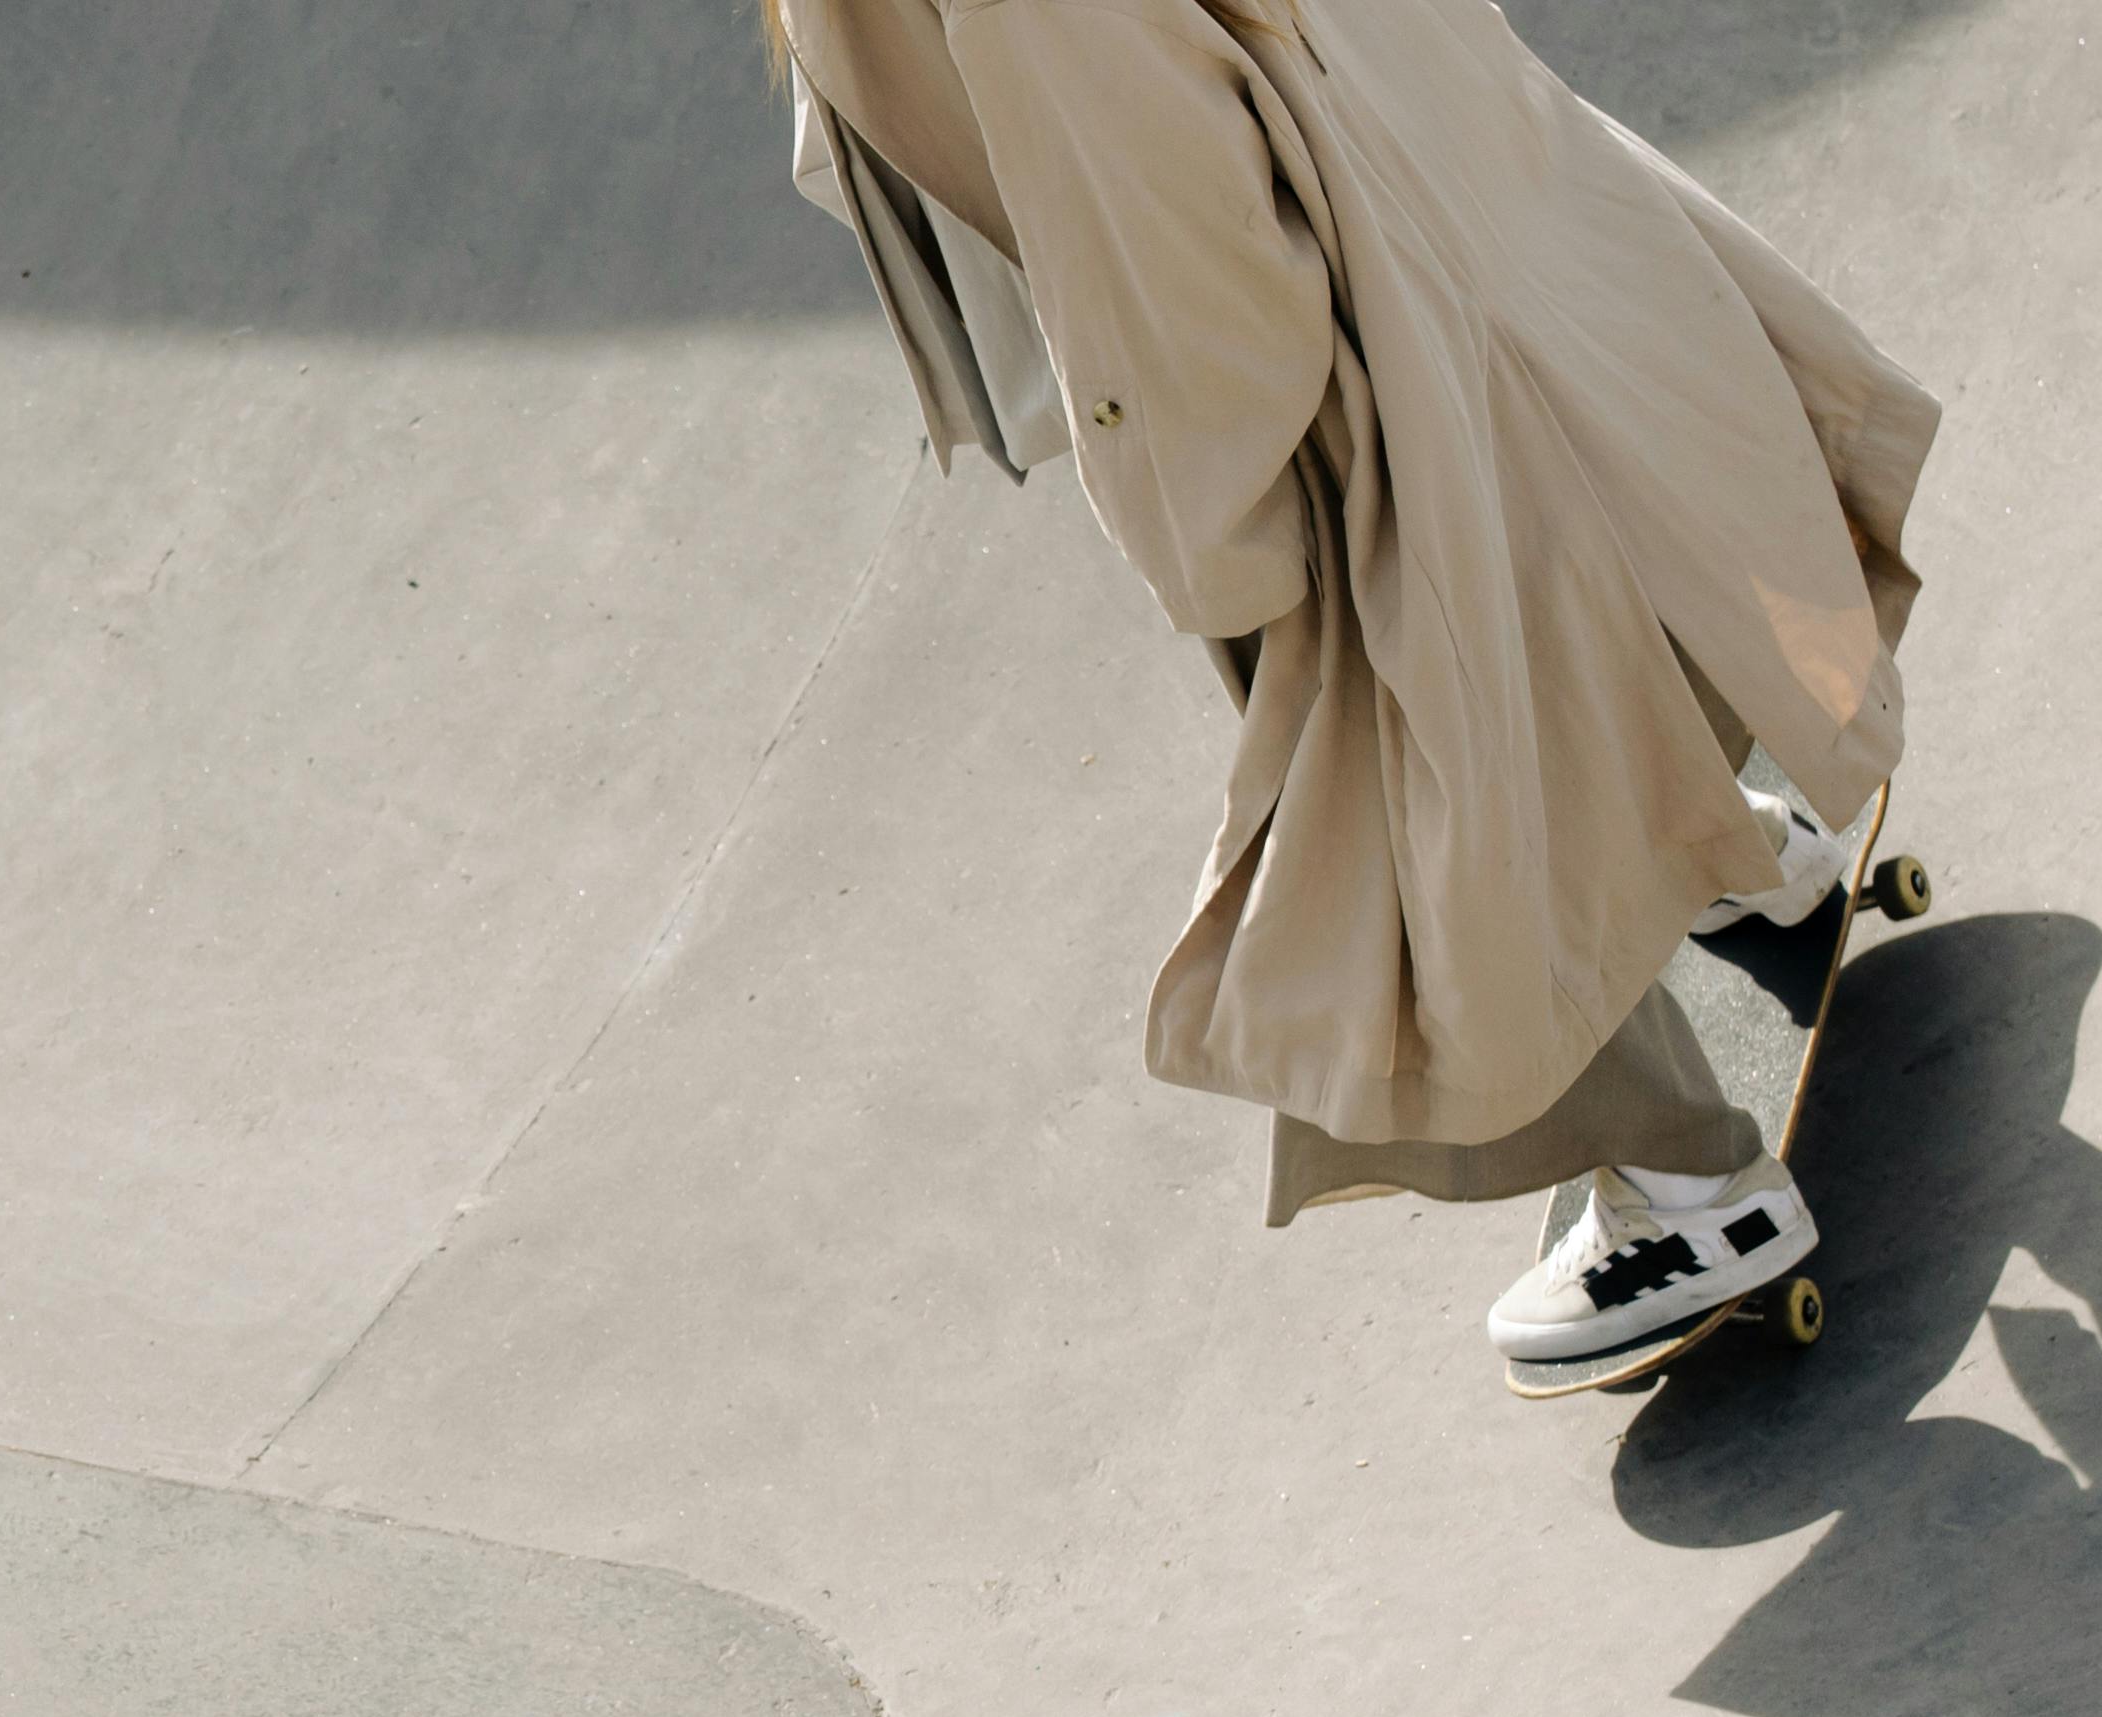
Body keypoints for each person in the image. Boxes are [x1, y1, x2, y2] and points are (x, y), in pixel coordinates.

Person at [770, 0, 1936, 1365]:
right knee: (1548, 570)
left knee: (1418, 796)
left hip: (1321, 347)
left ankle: (1690, 1192)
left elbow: (1155, 194)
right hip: (1423, 168)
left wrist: (1216, 521)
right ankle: (1717, 841)